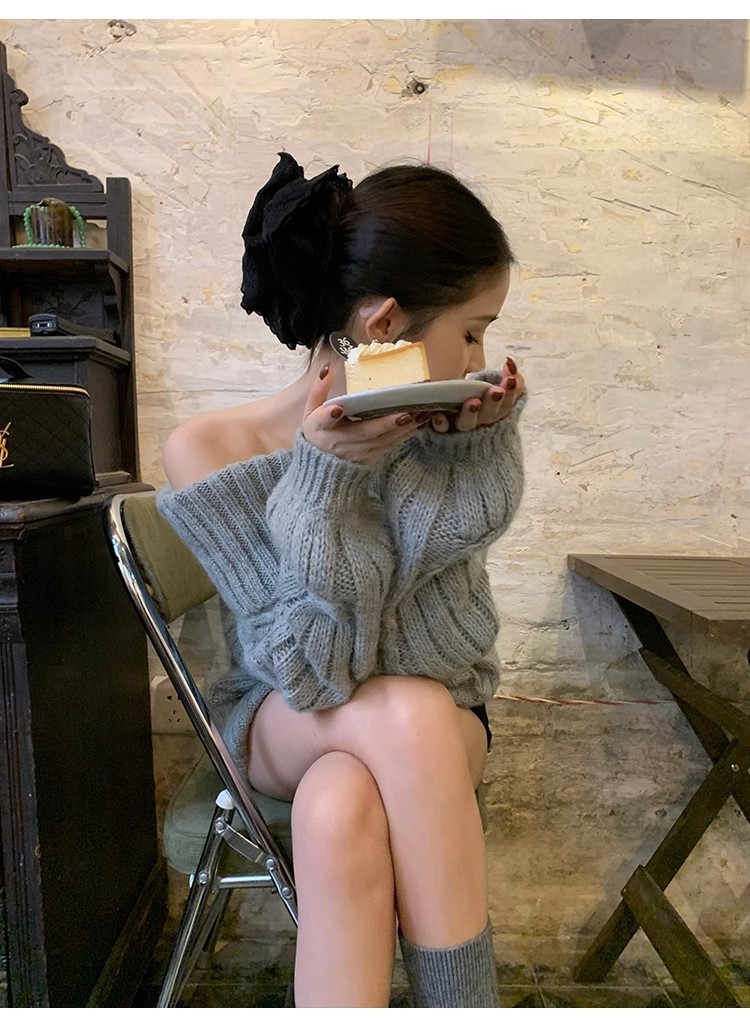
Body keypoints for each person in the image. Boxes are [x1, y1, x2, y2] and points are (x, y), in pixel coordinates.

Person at [157, 152, 526, 1008]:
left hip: (437, 714)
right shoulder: (210, 450)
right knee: (408, 712)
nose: (480, 355)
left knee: (339, 807)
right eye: (474, 329)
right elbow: (308, 672)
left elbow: (448, 650)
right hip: (282, 715)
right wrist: (325, 487)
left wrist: (471, 456)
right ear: (387, 321)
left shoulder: (440, 429)